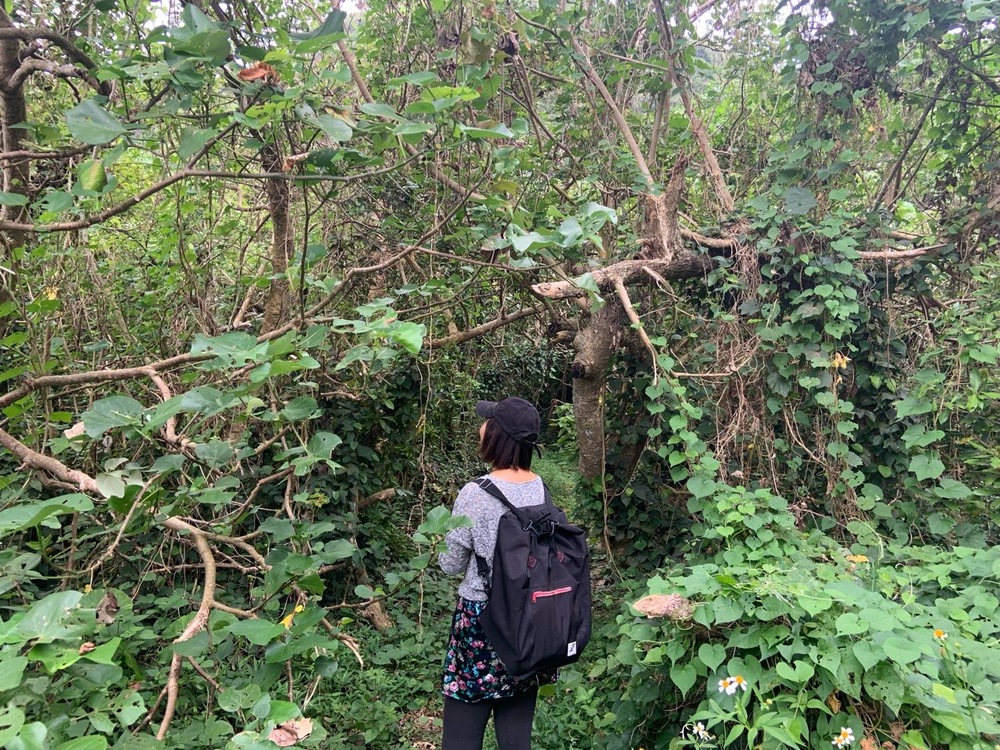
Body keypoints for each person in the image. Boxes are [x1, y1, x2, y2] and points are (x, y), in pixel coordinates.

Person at [438, 397, 556, 750]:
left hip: (482, 622)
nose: (480, 428)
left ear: (497, 435)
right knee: (516, 737)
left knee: (461, 736)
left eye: (486, 422)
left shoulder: (475, 493)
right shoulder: (541, 488)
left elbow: (450, 564)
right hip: (529, 621)